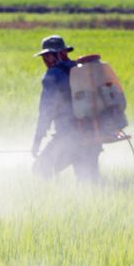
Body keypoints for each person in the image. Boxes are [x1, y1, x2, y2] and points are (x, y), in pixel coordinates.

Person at [31, 35, 103, 183]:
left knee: (40, 169)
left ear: (61, 54)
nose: (45, 60)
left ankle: (56, 202)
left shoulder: (52, 75)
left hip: (69, 138)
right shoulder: (80, 69)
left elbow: (46, 110)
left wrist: (37, 140)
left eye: (48, 56)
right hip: (94, 136)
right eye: (44, 57)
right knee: (90, 182)